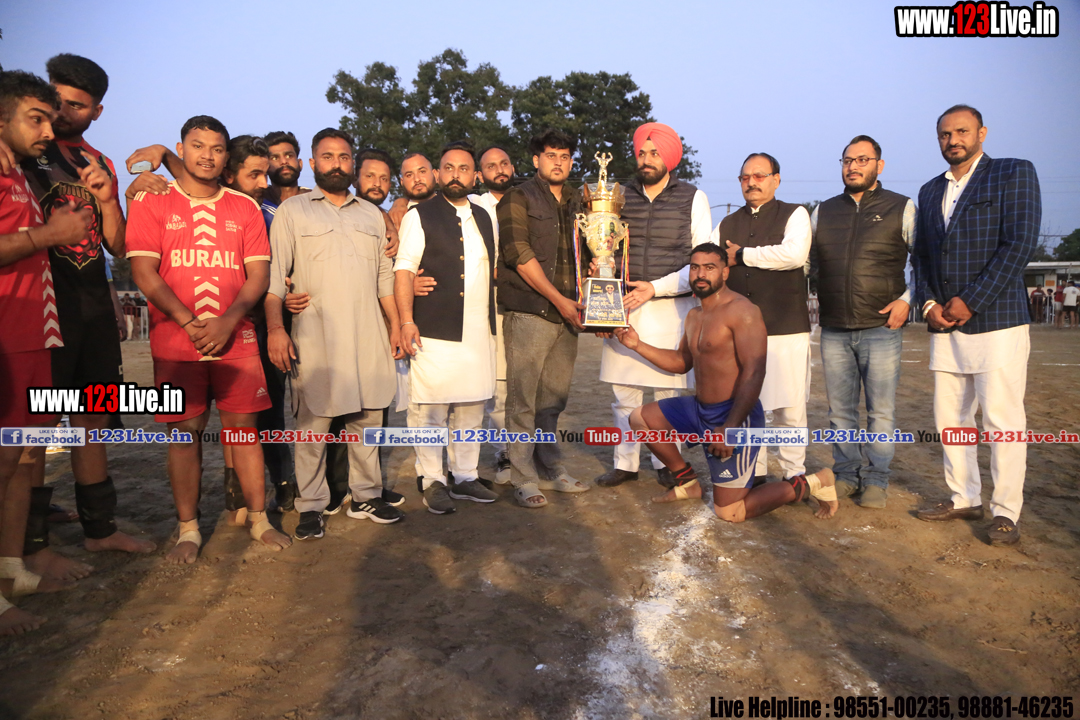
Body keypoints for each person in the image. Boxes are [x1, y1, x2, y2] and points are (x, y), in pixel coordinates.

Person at [126, 115, 293, 563]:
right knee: (184, 435)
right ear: (181, 149)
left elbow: (258, 275)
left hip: (236, 338)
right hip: (175, 342)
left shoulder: (243, 207)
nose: (207, 155)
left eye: (217, 148)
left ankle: (258, 519)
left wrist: (228, 320)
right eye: (198, 146)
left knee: (244, 431)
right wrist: (187, 321)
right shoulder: (152, 199)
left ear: (225, 157)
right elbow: (143, 272)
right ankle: (188, 528)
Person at [17, 55, 156, 574]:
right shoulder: (23, 153)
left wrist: (110, 200)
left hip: (92, 303)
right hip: (40, 305)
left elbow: (118, 246)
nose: (60, 112)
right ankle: (31, 545)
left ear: (97, 111)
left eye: (75, 105)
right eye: (55, 100)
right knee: (34, 425)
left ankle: (100, 530)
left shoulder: (98, 161)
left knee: (91, 416)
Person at [612, 243, 838, 521]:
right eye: (695, 268)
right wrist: (637, 345)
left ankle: (816, 482)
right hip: (700, 410)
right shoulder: (694, 315)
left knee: (730, 512)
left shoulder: (742, 311)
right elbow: (682, 362)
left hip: (735, 417)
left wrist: (730, 428)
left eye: (710, 268)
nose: (700, 274)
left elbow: (754, 372)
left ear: (725, 272)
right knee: (640, 418)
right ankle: (687, 483)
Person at [266, 128, 405, 540]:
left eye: (344, 157)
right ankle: (311, 505)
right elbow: (275, 278)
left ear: (353, 165)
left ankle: (366, 495)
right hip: (316, 338)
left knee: (368, 419)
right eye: (327, 157)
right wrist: (276, 329)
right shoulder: (293, 212)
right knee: (313, 427)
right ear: (313, 163)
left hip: (369, 335)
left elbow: (384, 279)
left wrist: (396, 325)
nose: (337, 164)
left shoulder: (370, 215)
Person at [913, 104, 1041, 546]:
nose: (953, 140)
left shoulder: (1012, 172)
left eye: (962, 131)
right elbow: (923, 256)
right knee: (951, 418)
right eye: (945, 134)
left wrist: (971, 301)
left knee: (1002, 421)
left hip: (998, 319)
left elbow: (1019, 244)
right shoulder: (930, 190)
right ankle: (964, 497)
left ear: (981, 133)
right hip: (945, 325)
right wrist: (929, 303)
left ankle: (1006, 512)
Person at [0, 69, 92, 635]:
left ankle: (11, 571)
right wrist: (47, 236)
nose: (48, 130)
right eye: (35, 118)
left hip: (34, 331)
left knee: (19, 458)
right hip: (6, 336)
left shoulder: (20, 172)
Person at [593, 123, 713, 490]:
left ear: (670, 158)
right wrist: (602, 284)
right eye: (642, 153)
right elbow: (605, 249)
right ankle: (625, 463)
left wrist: (655, 288)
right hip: (625, 305)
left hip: (672, 308)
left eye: (655, 153)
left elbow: (701, 260)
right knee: (623, 395)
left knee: (667, 395)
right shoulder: (618, 196)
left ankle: (665, 461)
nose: (646, 160)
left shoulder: (693, 197)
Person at [809, 135, 916, 509]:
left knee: (881, 413)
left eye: (862, 160)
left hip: (881, 328)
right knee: (840, 413)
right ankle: (846, 475)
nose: (853, 166)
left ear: (879, 165)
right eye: (847, 160)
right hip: (835, 328)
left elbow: (924, 262)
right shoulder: (823, 212)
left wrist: (906, 301)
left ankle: (877, 479)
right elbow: (806, 262)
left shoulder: (902, 207)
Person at [395, 141, 500, 514]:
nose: (457, 175)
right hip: (433, 329)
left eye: (464, 168)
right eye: (449, 168)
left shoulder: (485, 216)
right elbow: (404, 270)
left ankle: (466, 476)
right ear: (438, 174)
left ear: (475, 176)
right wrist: (406, 320)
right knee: (431, 410)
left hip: (478, 332)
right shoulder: (419, 215)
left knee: (472, 407)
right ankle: (432, 480)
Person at [497, 128, 591, 508]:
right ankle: (522, 476)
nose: (558, 162)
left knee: (552, 401)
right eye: (551, 155)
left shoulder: (579, 201)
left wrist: (593, 287)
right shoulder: (518, 197)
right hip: (531, 312)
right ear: (536, 160)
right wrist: (559, 300)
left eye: (565, 156)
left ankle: (550, 468)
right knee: (522, 400)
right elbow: (517, 254)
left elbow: (591, 251)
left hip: (569, 314)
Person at [713, 153, 813, 487]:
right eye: (745, 177)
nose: (751, 183)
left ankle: (794, 473)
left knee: (790, 407)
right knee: (748, 404)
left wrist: (742, 255)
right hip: (740, 331)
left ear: (776, 179)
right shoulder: (726, 223)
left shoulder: (795, 214)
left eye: (759, 176)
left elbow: (793, 255)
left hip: (786, 327)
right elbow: (711, 263)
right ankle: (754, 472)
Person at [472, 146, 515, 483]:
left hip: (528, 302)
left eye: (504, 164)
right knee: (498, 390)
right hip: (491, 305)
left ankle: (532, 451)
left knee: (529, 387)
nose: (499, 170)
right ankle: (505, 454)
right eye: (491, 166)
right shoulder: (473, 205)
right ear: (479, 174)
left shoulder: (528, 200)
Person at [387, 153, 435, 229]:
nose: (417, 179)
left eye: (422, 172)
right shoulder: (395, 218)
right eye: (409, 175)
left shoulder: (450, 204)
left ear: (435, 174)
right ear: (402, 182)